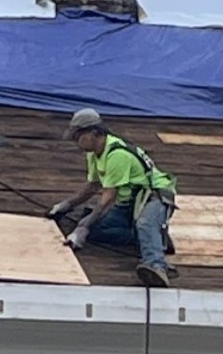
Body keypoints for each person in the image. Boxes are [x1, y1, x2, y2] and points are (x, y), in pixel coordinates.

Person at [49, 107, 177, 288]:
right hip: (128, 202)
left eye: (78, 136)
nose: (76, 142)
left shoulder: (117, 155)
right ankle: (150, 237)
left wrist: (82, 225)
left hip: (153, 197)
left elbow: (108, 199)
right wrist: (67, 204)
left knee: (144, 224)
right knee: (96, 231)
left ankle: (156, 267)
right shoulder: (94, 154)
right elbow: (93, 186)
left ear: (94, 133)